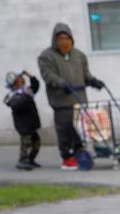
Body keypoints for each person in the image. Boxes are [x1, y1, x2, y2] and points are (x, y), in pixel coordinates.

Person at [37, 23, 103, 171]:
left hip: (79, 100)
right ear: (55, 40)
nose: (64, 41)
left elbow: (85, 73)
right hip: (61, 101)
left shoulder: (79, 55)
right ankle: (67, 158)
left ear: (72, 39)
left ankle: (79, 153)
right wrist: (61, 83)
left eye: (67, 38)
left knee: (80, 130)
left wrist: (93, 81)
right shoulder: (46, 56)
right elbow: (48, 75)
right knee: (65, 130)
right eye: (60, 38)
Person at [4, 71, 42, 171]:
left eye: (22, 79)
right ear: (15, 83)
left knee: (36, 143)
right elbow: (16, 106)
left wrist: (29, 75)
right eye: (19, 80)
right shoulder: (13, 96)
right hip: (23, 125)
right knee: (26, 144)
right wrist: (26, 96)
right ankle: (22, 161)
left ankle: (30, 160)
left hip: (32, 123)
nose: (22, 80)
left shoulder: (26, 91)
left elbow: (36, 85)